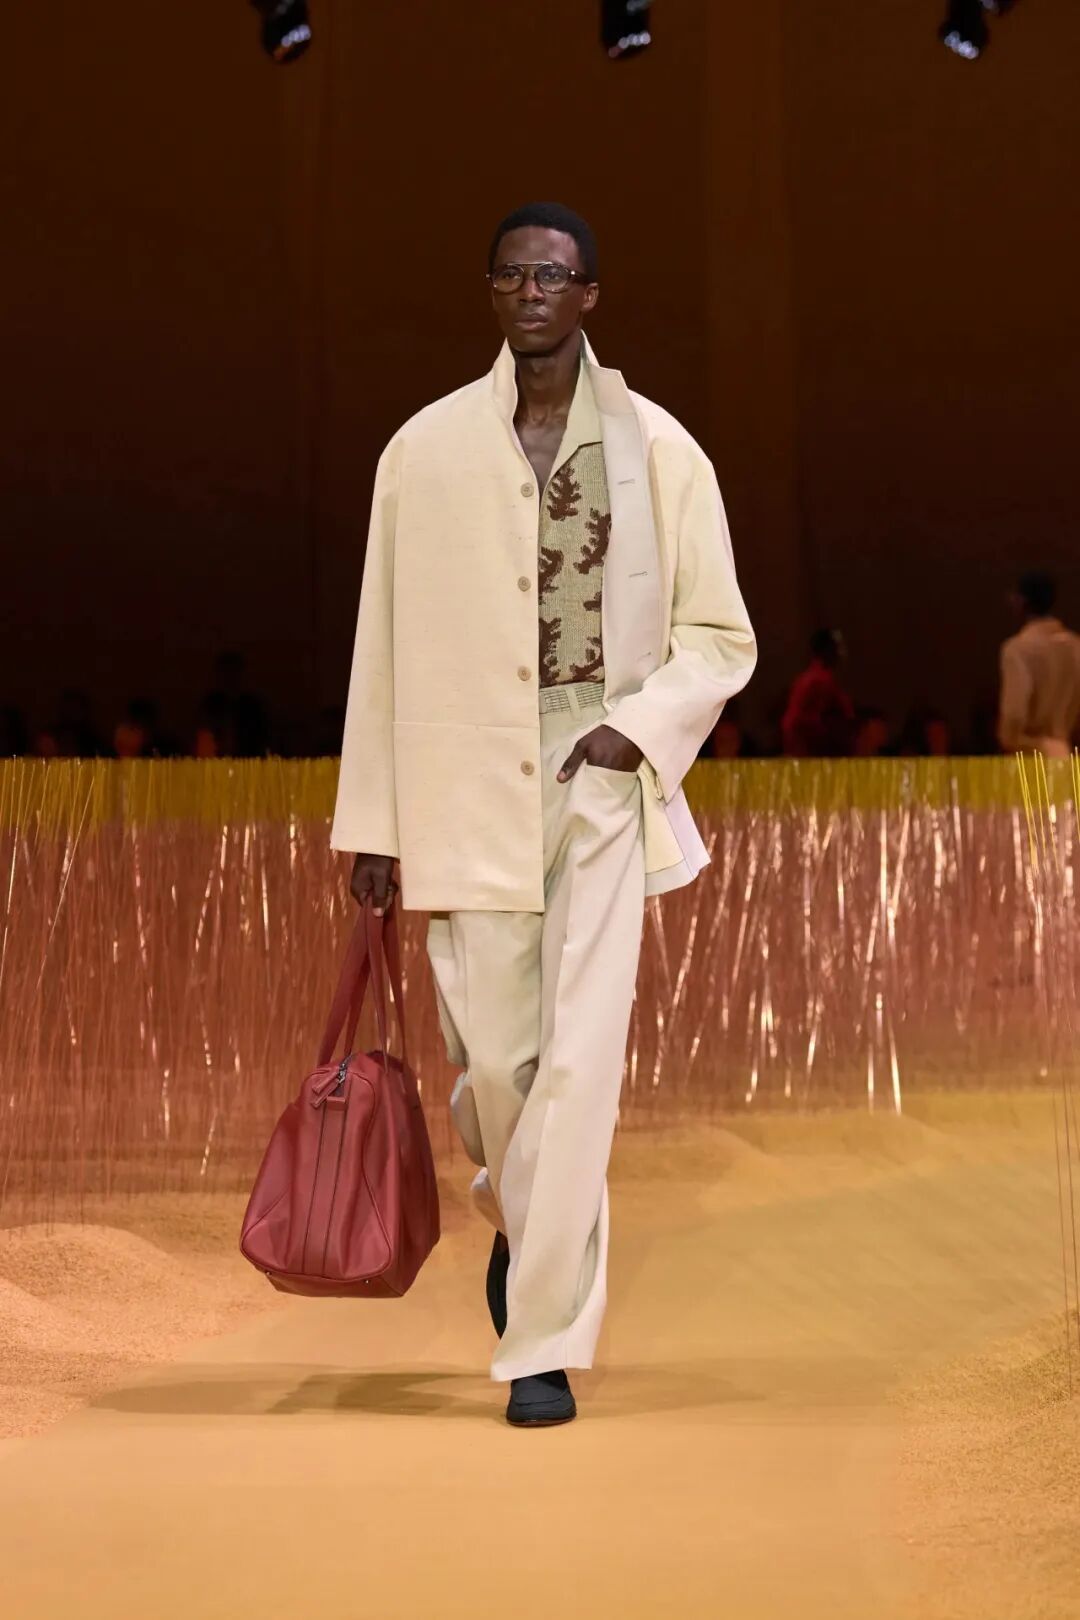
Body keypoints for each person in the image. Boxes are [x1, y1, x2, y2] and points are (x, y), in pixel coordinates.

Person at [331, 202, 756, 1427]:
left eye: (553, 275)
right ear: (491, 290)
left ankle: (543, 1345)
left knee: (577, 1062)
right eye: (514, 273)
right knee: (498, 1068)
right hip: (462, 776)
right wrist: (375, 821)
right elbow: (380, 645)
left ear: (589, 296)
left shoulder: (661, 450)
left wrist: (643, 725)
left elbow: (720, 635)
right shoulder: (421, 453)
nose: (532, 290)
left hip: (598, 779)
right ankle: (528, 1223)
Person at [998, 572, 1080, 759]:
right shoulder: (1075, 647)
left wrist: (1008, 738)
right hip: (1065, 751)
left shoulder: (1018, 649)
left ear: (1022, 601)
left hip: (1030, 754)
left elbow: (1015, 714)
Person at [781, 628, 855, 757]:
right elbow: (806, 722)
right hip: (811, 755)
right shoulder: (816, 682)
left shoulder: (816, 679)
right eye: (837, 647)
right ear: (827, 650)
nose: (842, 652)